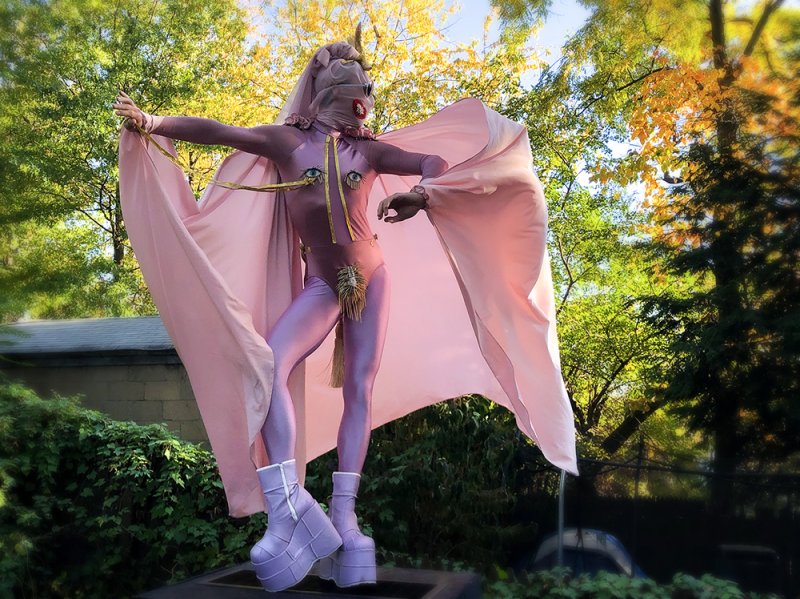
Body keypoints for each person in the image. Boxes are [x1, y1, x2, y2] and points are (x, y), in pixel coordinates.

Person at [117, 35, 577, 593]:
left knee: (358, 387)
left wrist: (426, 193)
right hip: (323, 285)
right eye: (348, 89)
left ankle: (345, 517)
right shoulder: (286, 144)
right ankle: (288, 508)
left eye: (363, 91)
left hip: (371, 280)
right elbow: (218, 130)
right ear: (321, 93)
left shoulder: (369, 151)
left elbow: (430, 160)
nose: (358, 102)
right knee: (266, 362)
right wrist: (154, 121)